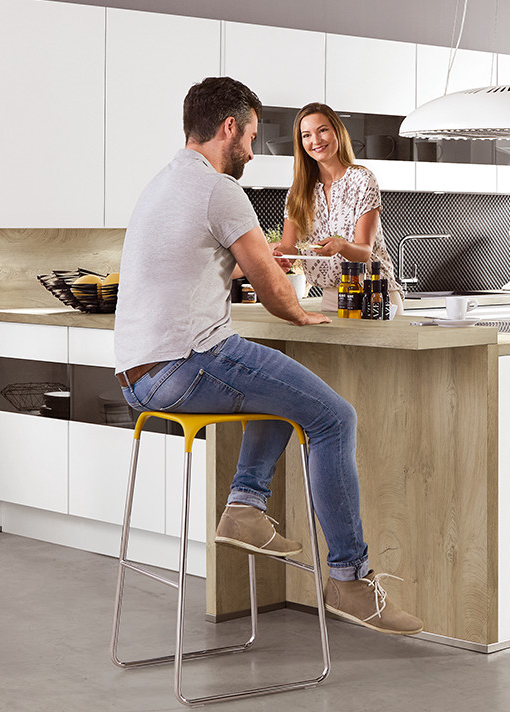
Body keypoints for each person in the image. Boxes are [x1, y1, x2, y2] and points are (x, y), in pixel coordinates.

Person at [112, 77, 422, 636]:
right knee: (333, 416)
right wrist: (300, 314)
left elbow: (217, 263)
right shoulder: (218, 189)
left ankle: (246, 509)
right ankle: (350, 581)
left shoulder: (161, 184)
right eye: (252, 136)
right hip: (189, 362)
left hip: (140, 378)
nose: (253, 151)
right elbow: (273, 283)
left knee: (280, 385)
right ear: (229, 128)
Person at [272, 103, 405, 317]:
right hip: (333, 296)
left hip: (375, 293)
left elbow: (364, 252)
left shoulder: (362, 179)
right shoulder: (297, 193)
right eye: (306, 135)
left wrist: (340, 245)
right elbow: (290, 248)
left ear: (337, 132)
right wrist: (278, 257)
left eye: (322, 130)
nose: (315, 141)